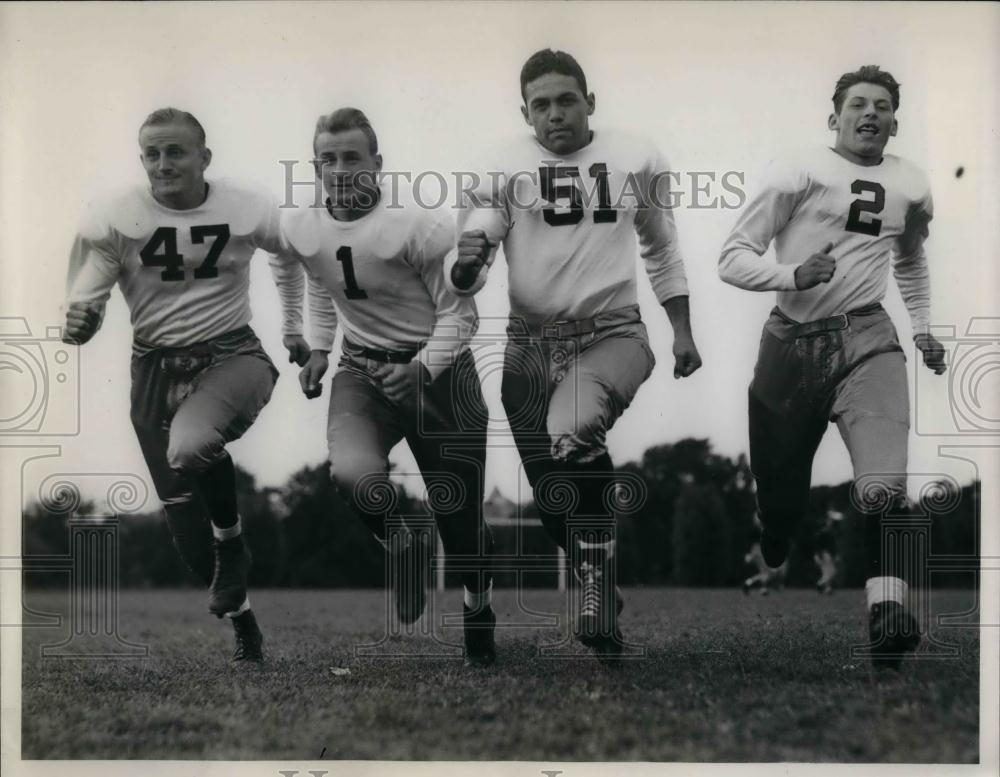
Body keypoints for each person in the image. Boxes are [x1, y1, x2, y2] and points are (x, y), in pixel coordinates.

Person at [446, 49, 702, 661]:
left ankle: (595, 583)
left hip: (611, 333)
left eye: (566, 100)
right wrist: (470, 263)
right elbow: (473, 256)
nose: (555, 114)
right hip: (528, 347)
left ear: (591, 101)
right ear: (525, 112)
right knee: (555, 499)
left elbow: (662, 250)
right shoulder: (501, 165)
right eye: (541, 104)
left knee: (574, 425)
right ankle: (600, 586)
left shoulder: (636, 155)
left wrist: (682, 331)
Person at [718, 66, 947, 669]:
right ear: (834, 118)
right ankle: (775, 525)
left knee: (883, 483)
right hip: (789, 345)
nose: (869, 114)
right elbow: (731, 258)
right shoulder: (798, 169)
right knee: (782, 507)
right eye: (857, 105)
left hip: (868, 340)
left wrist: (922, 328)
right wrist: (790, 274)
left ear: (895, 120)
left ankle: (887, 610)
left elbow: (911, 261)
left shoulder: (911, 185)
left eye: (881, 106)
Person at [62, 108, 301, 662]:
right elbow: (87, 291)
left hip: (230, 353)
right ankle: (244, 622)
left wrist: (292, 328)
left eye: (176, 152)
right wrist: (80, 316)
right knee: (195, 548)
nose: (163, 164)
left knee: (192, 444)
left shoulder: (246, 204)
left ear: (204, 158)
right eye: (152, 154)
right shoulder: (116, 215)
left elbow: (287, 256)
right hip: (153, 369)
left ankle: (233, 541)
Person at [273, 108, 496, 667]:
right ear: (315, 166)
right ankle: (403, 542)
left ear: (377, 163)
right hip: (364, 372)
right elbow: (326, 284)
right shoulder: (303, 225)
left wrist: (423, 368)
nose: (340, 170)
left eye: (353, 157)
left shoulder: (419, 226)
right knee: (353, 473)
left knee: (462, 522)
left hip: (442, 377)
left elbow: (462, 316)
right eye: (328, 159)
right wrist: (321, 348)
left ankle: (477, 609)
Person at [814, 509, 844, 595]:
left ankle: (827, 588)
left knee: (827, 572)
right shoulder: (825, 532)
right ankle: (820, 584)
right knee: (831, 572)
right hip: (825, 554)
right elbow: (821, 546)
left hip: (826, 554)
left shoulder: (828, 531)